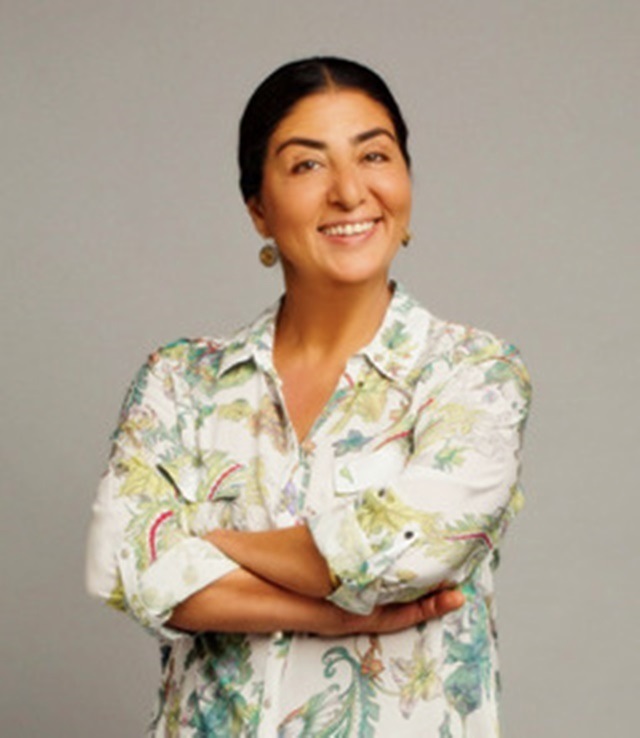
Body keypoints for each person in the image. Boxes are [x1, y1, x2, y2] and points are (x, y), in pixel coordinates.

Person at [86, 56, 531, 737]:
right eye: (307, 165)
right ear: (258, 209)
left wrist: (208, 539)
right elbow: (121, 566)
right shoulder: (180, 382)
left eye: (374, 155)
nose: (350, 192)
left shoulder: (473, 375)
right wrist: (329, 613)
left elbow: (405, 555)